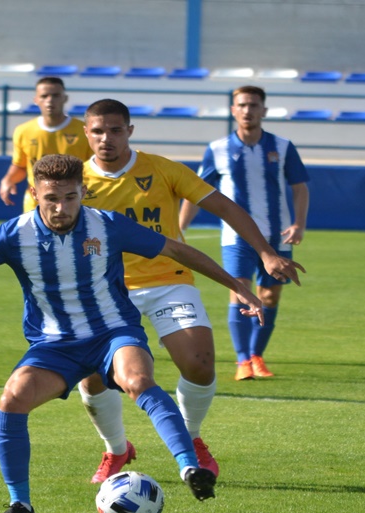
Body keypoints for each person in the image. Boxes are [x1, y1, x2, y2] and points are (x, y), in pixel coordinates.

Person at [0, 154, 264, 513]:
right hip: (54, 346)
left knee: (137, 380)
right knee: (12, 398)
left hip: (114, 332)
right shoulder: (12, 234)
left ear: (83, 192)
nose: (61, 208)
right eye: (51, 198)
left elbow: (175, 249)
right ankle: (21, 505)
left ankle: (189, 467)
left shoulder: (108, 225)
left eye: (70, 197)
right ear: (35, 193)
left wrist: (237, 287)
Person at [77, 98, 305, 483]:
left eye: (115, 130)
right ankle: (116, 449)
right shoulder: (74, 182)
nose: (106, 139)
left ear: (130, 131)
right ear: (86, 133)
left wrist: (266, 253)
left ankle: (192, 437)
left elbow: (226, 208)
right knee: (93, 376)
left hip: (169, 281)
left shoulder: (163, 169)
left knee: (199, 365)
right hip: (107, 290)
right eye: (98, 131)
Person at [179, 85, 310, 381]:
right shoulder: (217, 149)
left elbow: (300, 187)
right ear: (233, 110)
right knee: (239, 293)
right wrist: (180, 228)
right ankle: (242, 361)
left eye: (253, 105)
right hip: (235, 239)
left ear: (263, 110)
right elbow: (194, 192)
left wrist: (299, 223)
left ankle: (256, 356)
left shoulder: (283, 147)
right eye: (242, 105)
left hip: (277, 238)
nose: (248, 110)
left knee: (270, 297)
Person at [0, 77, 92, 213]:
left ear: (65, 98)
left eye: (55, 95)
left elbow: (95, 168)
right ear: (36, 100)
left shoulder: (84, 131)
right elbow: (20, 166)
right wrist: (8, 180)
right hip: (36, 205)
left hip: (74, 204)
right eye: (44, 96)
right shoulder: (23, 131)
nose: (50, 100)